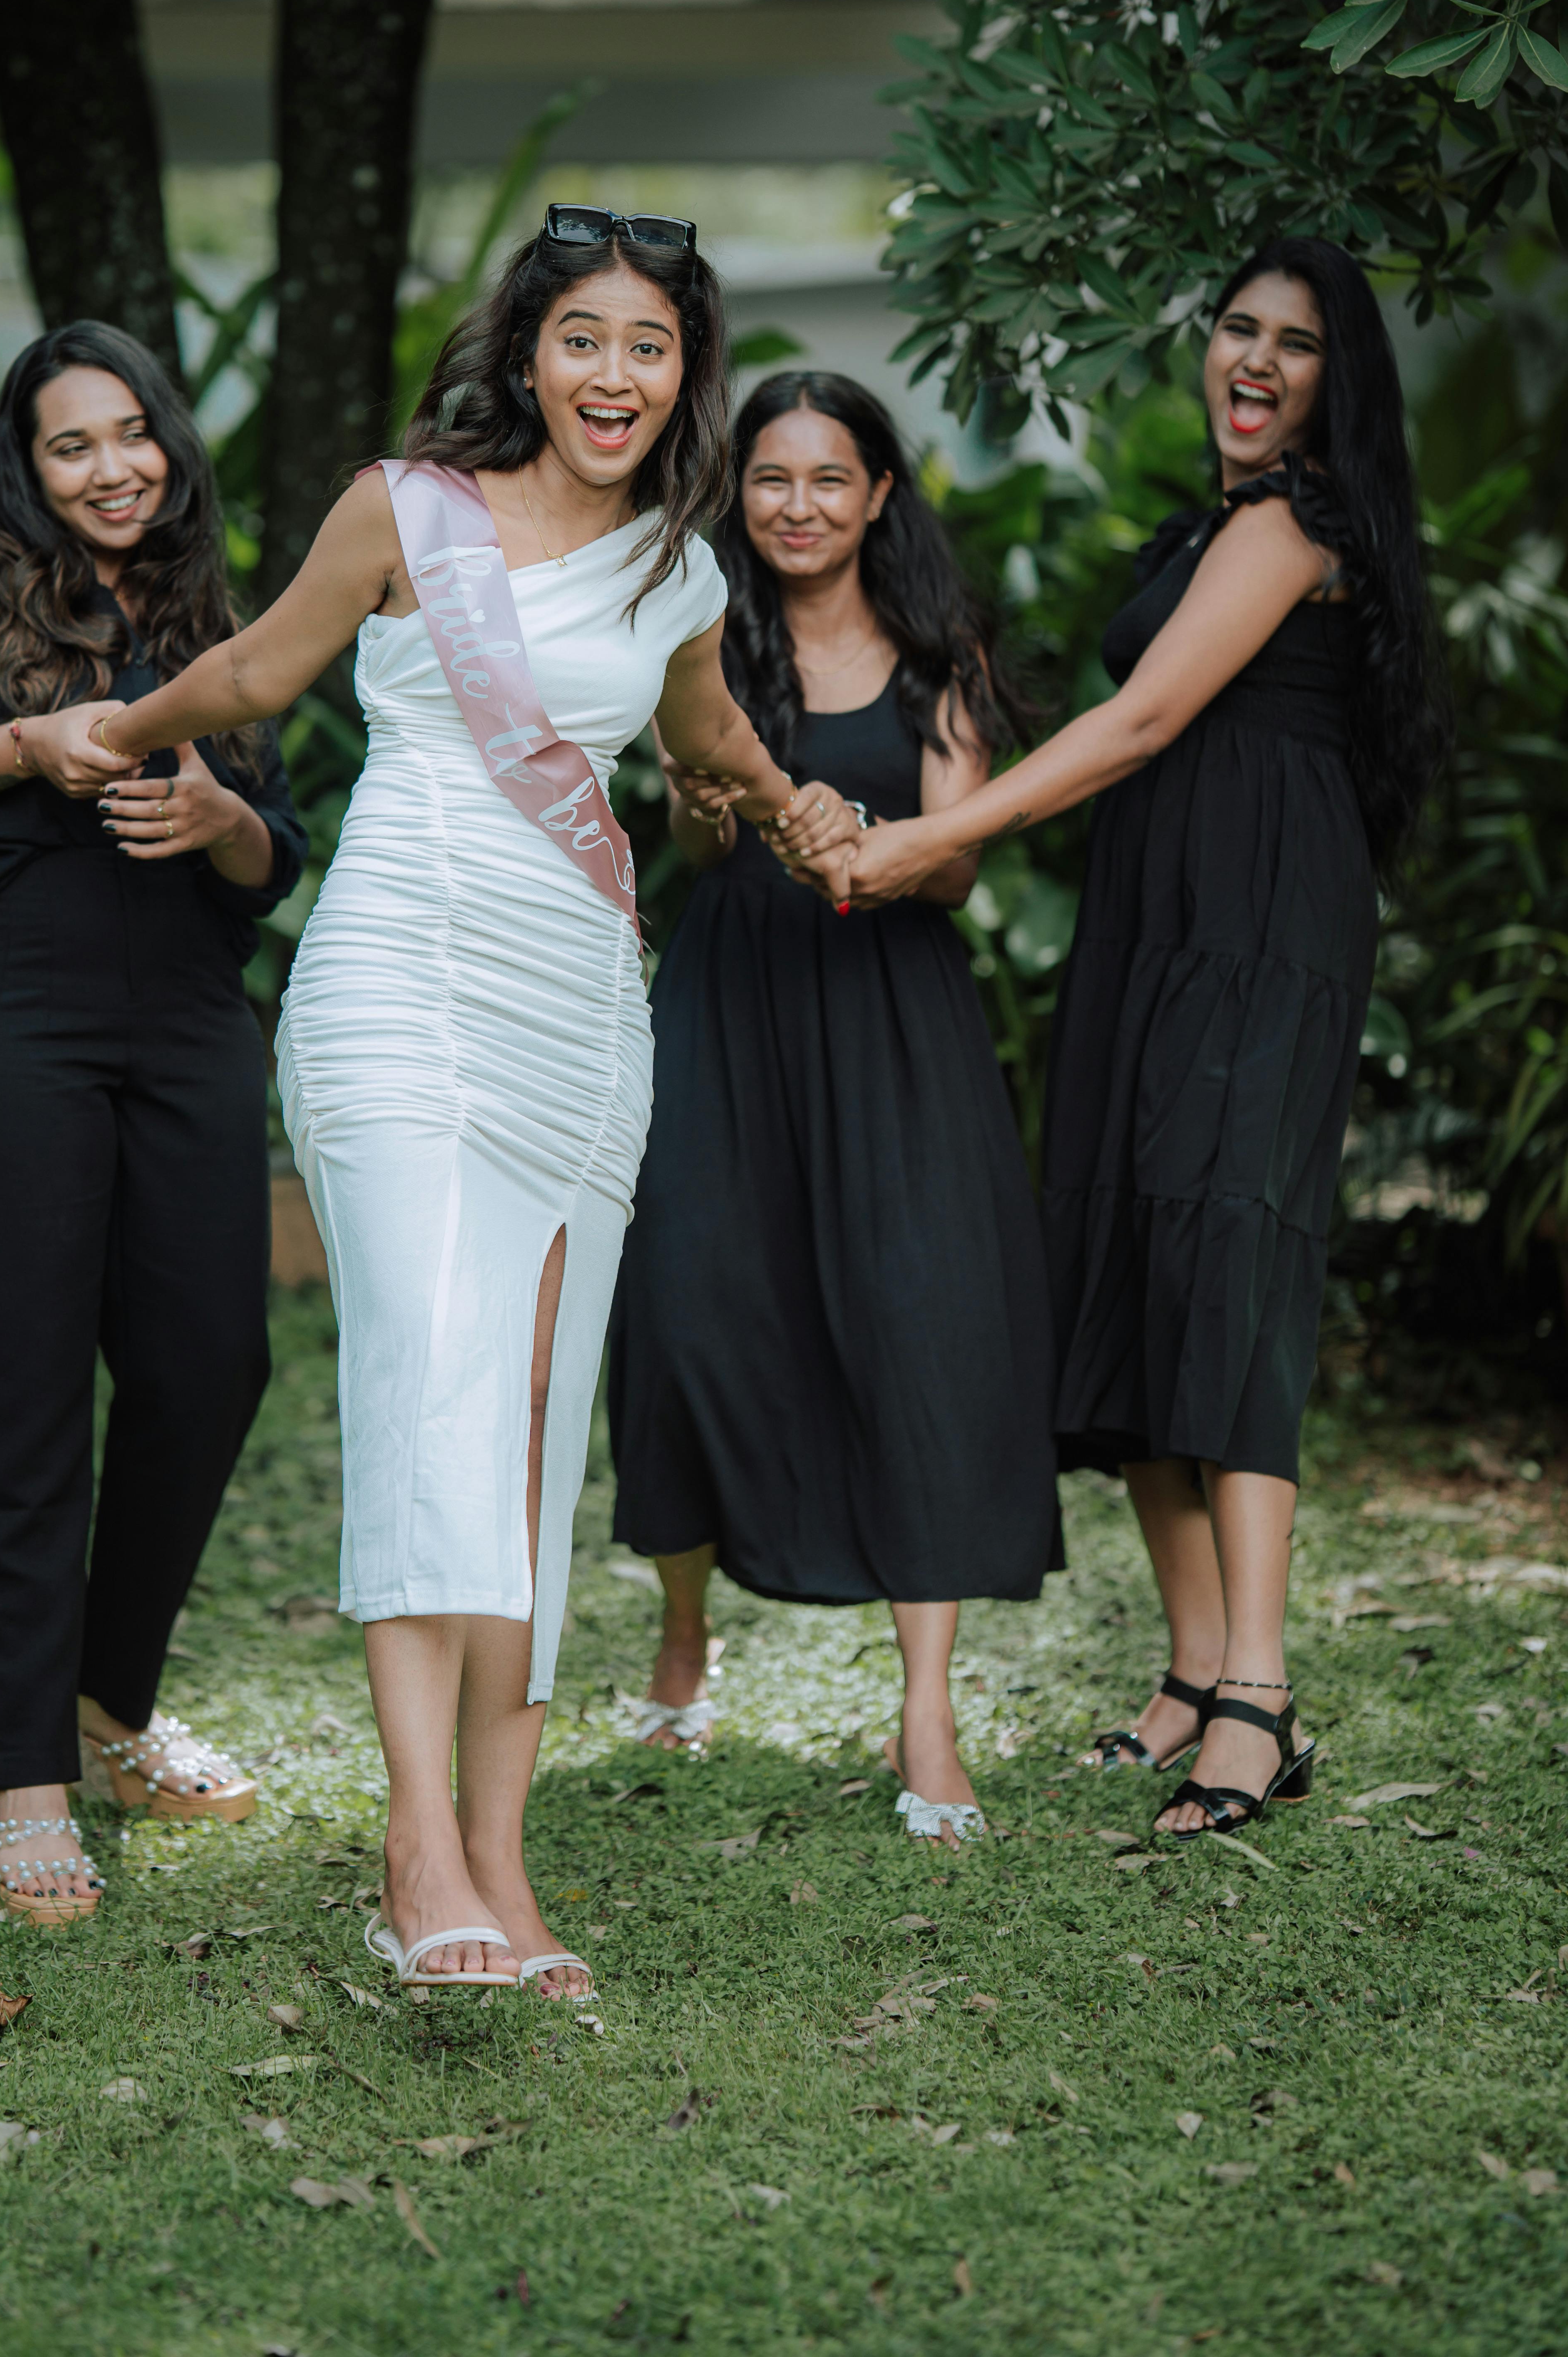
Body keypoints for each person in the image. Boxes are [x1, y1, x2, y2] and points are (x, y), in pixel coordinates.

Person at [89, 207, 853, 1994]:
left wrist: (796, 800)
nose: (614, 374)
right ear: (527, 353)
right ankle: (413, 1850)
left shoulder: (679, 568)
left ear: (685, 375)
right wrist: (113, 735)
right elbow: (256, 674)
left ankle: (502, 1867)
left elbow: (703, 735)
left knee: (525, 1423)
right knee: (433, 1391)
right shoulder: (405, 508)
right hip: (404, 990)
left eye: (649, 345)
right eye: (582, 336)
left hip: (586, 1017)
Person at [809, 238, 1445, 1839]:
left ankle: (1262, 1700)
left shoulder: (1303, 524)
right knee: (1136, 1255)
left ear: (1336, 380)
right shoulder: (1214, 521)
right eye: (1236, 325)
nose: (1254, 360)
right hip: (1154, 929)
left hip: (1258, 930)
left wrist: (914, 850)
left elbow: (1150, 718)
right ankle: (1190, 1673)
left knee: (1226, 1267)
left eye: (1295, 344)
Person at [0, 322, 307, 1925]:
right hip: (11, 1015)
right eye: (70, 446)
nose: (111, 468)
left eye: (132, 435)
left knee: (209, 1363)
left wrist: (222, 815)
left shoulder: (212, 604)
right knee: (28, 1393)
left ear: (168, 443)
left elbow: (277, 850)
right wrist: (25, 746)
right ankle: (29, 1784)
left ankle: (111, 1710)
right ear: (25, 467)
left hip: (184, 1015)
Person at [606, 373, 1061, 1845]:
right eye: (770, 478)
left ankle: (924, 1708)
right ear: (737, 495)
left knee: (919, 1332)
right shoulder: (699, 634)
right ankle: (685, 1630)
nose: (796, 505)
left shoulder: (939, 650)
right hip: (731, 1005)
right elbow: (683, 826)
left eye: (829, 479)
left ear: (878, 496)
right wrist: (709, 803)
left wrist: (867, 848)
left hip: (893, 1017)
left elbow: (960, 864)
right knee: (681, 1308)